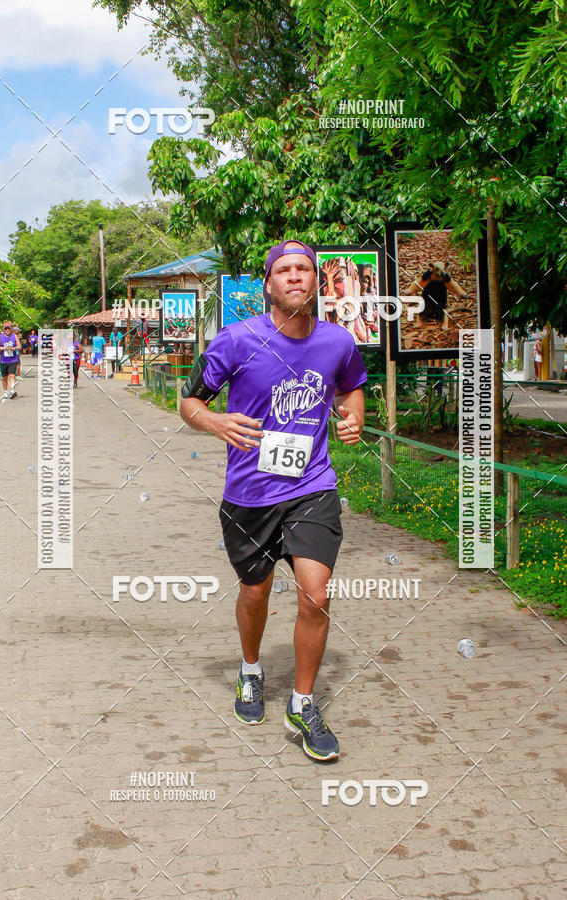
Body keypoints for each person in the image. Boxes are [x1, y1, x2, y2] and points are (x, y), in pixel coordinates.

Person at [180, 239, 367, 761]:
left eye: (304, 269)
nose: (294, 277)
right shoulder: (236, 341)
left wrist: (355, 417)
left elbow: (353, 387)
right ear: (268, 284)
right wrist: (215, 421)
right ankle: (251, 669)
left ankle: (303, 703)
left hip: (312, 487)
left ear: (316, 282)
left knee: (316, 595)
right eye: (283, 270)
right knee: (256, 593)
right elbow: (189, 402)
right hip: (249, 497)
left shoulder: (338, 342)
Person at [408, 261, 467, 331]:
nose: (441, 273)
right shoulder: (427, 276)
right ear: (432, 267)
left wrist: (461, 293)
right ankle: (419, 321)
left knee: (443, 310)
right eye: (437, 270)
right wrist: (410, 290)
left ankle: (445, 323)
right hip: (427, 298)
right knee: (422, 309)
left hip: (441, 300)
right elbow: (418, 283)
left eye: (443, 270)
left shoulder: (445, 277)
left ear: (445, 267)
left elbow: (453, 286)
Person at [0, 321, 21, 399]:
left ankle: (12, 391)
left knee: (12, 376)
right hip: (3, 360)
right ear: (4, 329)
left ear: (10, 329)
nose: (7, 330)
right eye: (6, 328)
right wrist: (4, 348)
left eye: (8, 328)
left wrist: (14, 348)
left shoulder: (14, 336)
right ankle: (5, 392)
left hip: (13, 360)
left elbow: (19, 346)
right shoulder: (0, 337)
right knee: (4, 378)